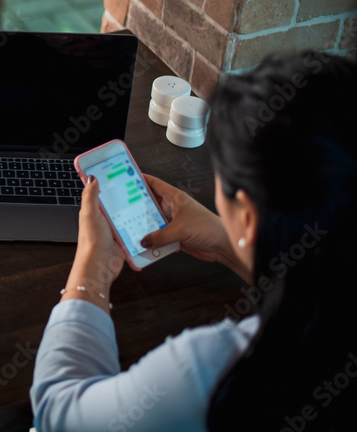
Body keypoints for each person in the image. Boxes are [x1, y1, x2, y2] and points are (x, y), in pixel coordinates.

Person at [30, 51, 357, 432]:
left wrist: (91, 269)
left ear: (248, 216)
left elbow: (57, 411)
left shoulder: (208, 372)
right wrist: (226, 241)